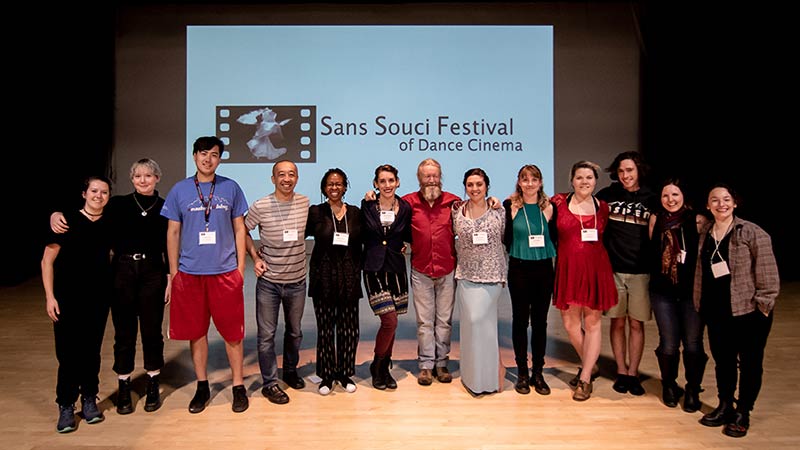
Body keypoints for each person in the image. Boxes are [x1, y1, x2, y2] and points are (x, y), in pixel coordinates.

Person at [50, 159, 170, 415]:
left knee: (151, 331)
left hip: (153, 273)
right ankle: (124, 385)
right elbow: (85, 214)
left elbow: (171, 241)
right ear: (132, 179)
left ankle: (152, 383)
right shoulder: (118, 204)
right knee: (124, 332)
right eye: (138, 175)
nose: (143, 180)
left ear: (157, 178)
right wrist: (55, 213)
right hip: (123, 272)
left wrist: (170, 275)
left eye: (149, 175)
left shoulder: (166, 206)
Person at [161, 136, 249, 414]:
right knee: (196, 334)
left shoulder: (231, 187)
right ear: (194, 156)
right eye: (203, 153)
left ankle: (237, 386)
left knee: (233, 335)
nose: (208, 159)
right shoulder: (180, 190)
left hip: (224, 273)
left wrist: (239, 269)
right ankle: (202, 386)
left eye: (214, 154)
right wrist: (174, 273)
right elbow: (172, 232)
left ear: (220, 158)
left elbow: (239, 229)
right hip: (189, 273)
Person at [694, 183, 779, 438]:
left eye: (726, 199)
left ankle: (743, 411)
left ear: (735, 203)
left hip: (748, 312)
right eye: (715, 200)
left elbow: (768, 275)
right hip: (716, 311)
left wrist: (762, 307)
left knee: (750, 364)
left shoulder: (752, 232)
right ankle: (725, 405)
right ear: (708, 205)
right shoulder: (705, 232)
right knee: (724, 362)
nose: (721, 204)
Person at [42, 176, 113, 433]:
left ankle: (90, 399)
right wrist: (50, 296)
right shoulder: (66, 221)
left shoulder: (110, 221)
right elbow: (47, 261)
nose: (99, 196)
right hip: (67, 298)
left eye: (104, 192)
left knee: (91, 351)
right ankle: (66, 405)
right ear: (84, 193)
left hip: (98, 297)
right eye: (94, 191)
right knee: (68, 353)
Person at [551, 161, 618, 401]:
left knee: (592, 324)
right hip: (568, 270)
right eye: (579, 177)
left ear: (595, 181)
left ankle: (586, 377)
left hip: (595, 270)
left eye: (589, 177)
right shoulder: (558, 202)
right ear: (572, 180)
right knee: (570, 325)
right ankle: (591, 363)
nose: (584, 182)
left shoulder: (602, 207)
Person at [244, 159, 309, 405]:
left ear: (297, 178)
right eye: (281, 174)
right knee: (266, 335)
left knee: (294, 332)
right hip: (269, 282)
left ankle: (290, 371)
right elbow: (243, 228)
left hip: (297, 281)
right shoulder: (260, 206)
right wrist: (254, 255)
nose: (286, 178)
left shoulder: (304, 203)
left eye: (291, 174)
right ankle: (270, 383)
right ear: (273, 179)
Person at [596, 151, 657, 396]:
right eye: (621, 171)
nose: (625, 175)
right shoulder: (608, 195)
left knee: (636, 324)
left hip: (641, 271)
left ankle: (634, 373)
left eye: (629, 170)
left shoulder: (652, 198)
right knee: (617, 322)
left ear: (639, 170)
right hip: (613, 270)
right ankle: (621, 371)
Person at [648, 178, 707, 411]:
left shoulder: (698, 220)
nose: (670, 200)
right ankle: (669, 385)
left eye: (675, 195)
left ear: (684, 196)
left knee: (693, 342)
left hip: (692, 292)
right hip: (662, 291)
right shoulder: (655, 219)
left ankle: (693, 388)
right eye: (665, 196)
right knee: (669, 342)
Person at [306, 168, 363, 395]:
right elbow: (300, 234)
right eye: (330, 184)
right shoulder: (316, 212)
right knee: (326, 330)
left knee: (349, 329)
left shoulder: (356, 213)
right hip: (324, 277)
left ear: (345, 187)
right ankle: (327, 376)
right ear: (323, 188)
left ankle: (345, 373)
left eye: (338, 184)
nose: (334, 188)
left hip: (349, 277)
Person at [502, 164, 557, 396]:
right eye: (525, 179)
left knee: (540, 322)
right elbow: (505, 238)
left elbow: (555, 238)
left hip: (544, 268)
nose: (530, 183)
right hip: (519, 268)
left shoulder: (550, 208)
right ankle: (522, 372)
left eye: (534, 179)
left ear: (541, 182)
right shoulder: (510, 206)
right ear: (519, 182)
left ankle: (538, 373)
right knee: (520, 321)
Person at [453, 168, 507, 395]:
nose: (475, 188)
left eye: (479, 184)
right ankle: (472, 377)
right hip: (466, 276)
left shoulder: (499, 210)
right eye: (470, 184)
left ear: (487, 186)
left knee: (482, 323)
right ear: (465, 187)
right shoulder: (457, 211)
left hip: (492, 275)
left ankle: (494, 373)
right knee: (470, 326)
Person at [361, 164, 412, 390]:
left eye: (391, 180)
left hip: (396, 268)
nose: (387, 185)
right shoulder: (368, 205)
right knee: (389, 320)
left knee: (393, 322)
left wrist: (406, 245)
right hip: (373, 268)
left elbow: (409, 235)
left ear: (397, 182)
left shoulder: (406, 207)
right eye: (382, 181)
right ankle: (378, 364)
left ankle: (383, 367)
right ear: (376, 184)